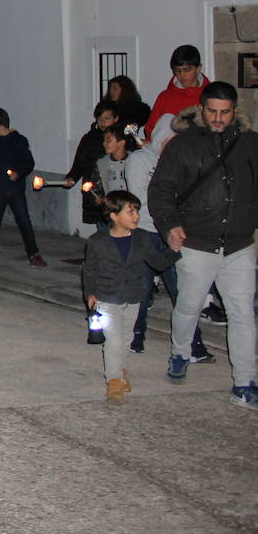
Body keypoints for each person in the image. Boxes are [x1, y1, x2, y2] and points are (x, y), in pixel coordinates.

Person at [148, 82, 258, 408]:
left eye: (225, 112)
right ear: (201, 109)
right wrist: (170, 226)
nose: (218, 118)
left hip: (239, 245)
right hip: (196, 243)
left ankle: (245, 382)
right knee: (189, 306)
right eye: (212, 111)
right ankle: (180, 353)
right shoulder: (183, 145)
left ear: (234, 111)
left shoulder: (250, 144)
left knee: (242, 313)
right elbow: (160, 191)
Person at [120, 115, 213, 362]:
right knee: (140, 287)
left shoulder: (182, 162)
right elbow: (140, 198)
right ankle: (135, 336)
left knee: (182, 289)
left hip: (172, 231)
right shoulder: (139, 160)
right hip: (145, 231)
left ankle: (193, 344)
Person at [82, 190, 182, 405]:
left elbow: (157, 262)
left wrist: (174, 250)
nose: (136, 216)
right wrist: (90, 293)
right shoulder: (97, 241)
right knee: (114, 342)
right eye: (130, 211)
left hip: (133, 297)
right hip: (107, 299)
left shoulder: (142, 238)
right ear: (114, 215)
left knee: (126, 339)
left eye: (136, 211)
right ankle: (114, 382)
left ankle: (121, 370)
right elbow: (89, 270)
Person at [0, 107, 45, 267]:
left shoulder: (20, 141)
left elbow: (29, 163)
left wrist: (19, 173)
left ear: (1, 127)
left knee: (24, 220)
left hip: (15, 189)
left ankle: (33, 253)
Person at [65, 101, 117, 229]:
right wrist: (71, 177)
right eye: (99, 119)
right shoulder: (89, 139)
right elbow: (80, 162)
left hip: (116, 189)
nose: (103, 122)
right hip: (96, 189)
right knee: (102, 226)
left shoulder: (122, 138)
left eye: (107, 118)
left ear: (116, 119)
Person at [144, 44, 210, 138]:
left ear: (198, 68)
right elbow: (151, 130)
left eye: (186, 70)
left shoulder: (210, 96)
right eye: (177, 71)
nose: (182, 75)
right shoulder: (165, 97)